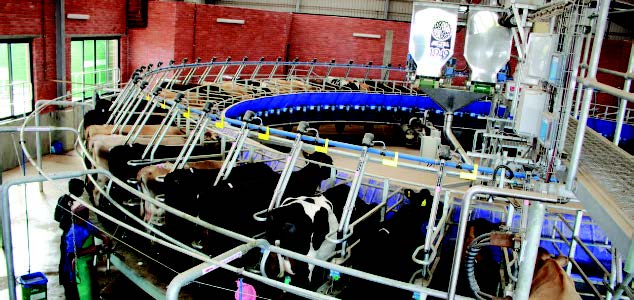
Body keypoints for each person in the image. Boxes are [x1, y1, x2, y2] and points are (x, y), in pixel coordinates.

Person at [54, 179, 84, 298]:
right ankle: (73, 286)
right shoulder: (79, 205)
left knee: (64, 261)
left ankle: (66, 283)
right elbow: (84, 223)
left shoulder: (62, 199)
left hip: (65, 236)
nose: (83, 190)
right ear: (78, 190)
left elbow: (56, 217)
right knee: (74, 261)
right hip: (74, 238)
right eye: (82, 188)